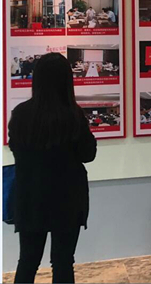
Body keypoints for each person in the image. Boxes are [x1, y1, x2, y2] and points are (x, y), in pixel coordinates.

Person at [8, 52, 97, 284]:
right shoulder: (73, 115)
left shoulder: (21, 114)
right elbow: (88, 154)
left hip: (30, 197)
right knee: (63, 261)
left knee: (27, 261)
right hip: (67, 199)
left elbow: (16, 150)